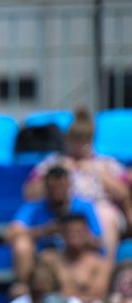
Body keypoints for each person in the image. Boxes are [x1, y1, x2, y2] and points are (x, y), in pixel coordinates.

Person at [23, 107, 131, 262]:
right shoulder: (54, 162)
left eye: (84, 139)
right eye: (75, 138)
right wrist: (56, 174)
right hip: (63, 210)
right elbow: (29, 193)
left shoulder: (106, 163)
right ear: (68, 139)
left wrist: (97, 172)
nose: (79, 144)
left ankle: (104, 269)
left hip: (99, 210)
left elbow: (124, 193)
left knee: (105, 216)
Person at [5, 165, 102, 291]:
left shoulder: (84, 206)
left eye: (61, 187)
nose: (58, 192)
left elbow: (98, 241)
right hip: (43, 262)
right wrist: (44, 231)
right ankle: (27, 290)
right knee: (22, 244)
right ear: (45, 187)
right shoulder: (34, 208)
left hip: (76, 259)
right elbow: (10, 235)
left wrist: (74, 236)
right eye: (53, 188)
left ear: (69, 185)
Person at [39, 213, 111, 303]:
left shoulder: (99, 264)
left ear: (87, 233)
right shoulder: (49, 259)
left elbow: (99, 295)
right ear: (61, 234)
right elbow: (41, 289)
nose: (74, 236)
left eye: (79, 232)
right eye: (70, 232)